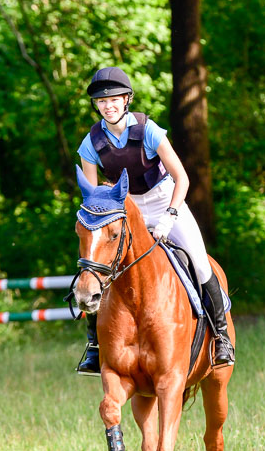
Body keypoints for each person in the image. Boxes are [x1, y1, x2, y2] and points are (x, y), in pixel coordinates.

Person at [76, 66, 234, 375]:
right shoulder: (91, 143)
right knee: (98, 270)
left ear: (127, 100)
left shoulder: (148, 131)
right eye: (101, 101)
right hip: (126, 209)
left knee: (200, 262)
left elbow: (181, 177)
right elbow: (94, 197)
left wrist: (170, 215)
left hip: (165, 200)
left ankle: (221, 336)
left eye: (114, 99)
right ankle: (95, 346)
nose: (108, 106)